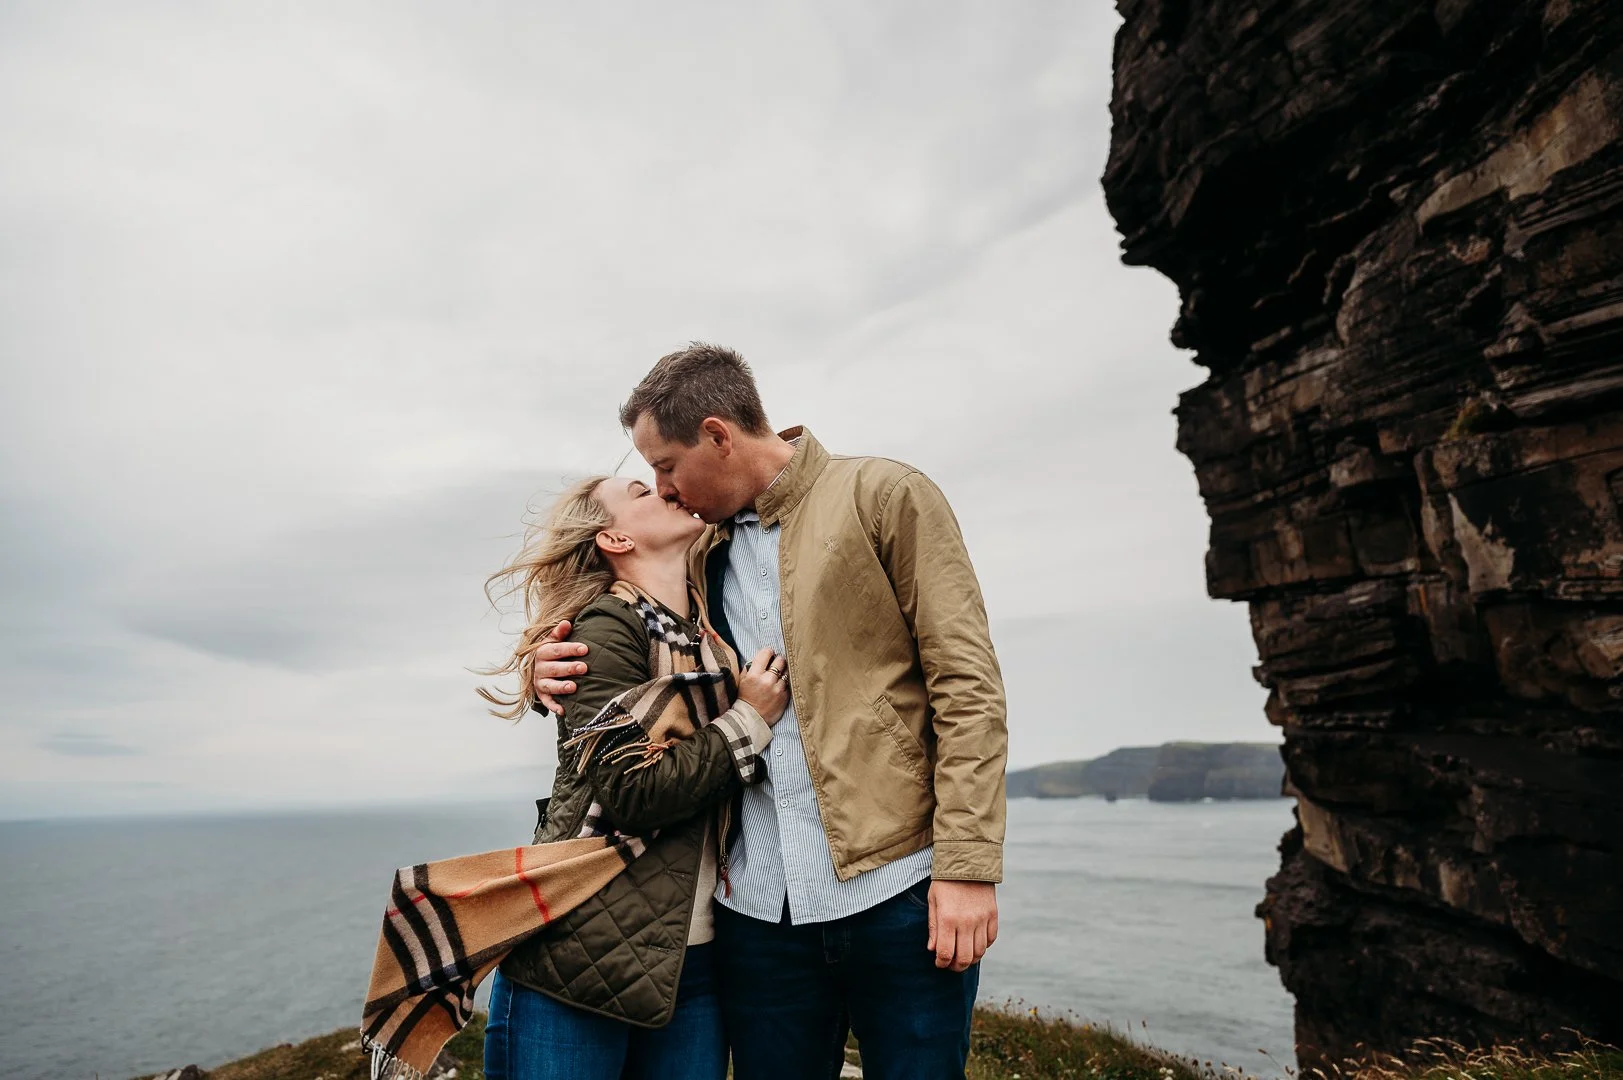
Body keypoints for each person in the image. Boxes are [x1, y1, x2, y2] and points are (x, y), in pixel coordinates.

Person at [533, 344, 1008, 1080]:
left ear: (719, 436)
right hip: (756, 916)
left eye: (664, 466)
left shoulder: (884, 495)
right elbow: (634, 638)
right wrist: (550, 673)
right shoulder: (694, 552)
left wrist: (968, 869)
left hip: (897, 892)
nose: (662, 488)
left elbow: (966, 684)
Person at [478, 473, 791, 1080]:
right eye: (641, 492)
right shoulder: (603, 627)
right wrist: (750, 719)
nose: (665, 488)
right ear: (615, 538)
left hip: (690, 961)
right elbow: (632, 791)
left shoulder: (712, 630)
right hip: (580, 955)